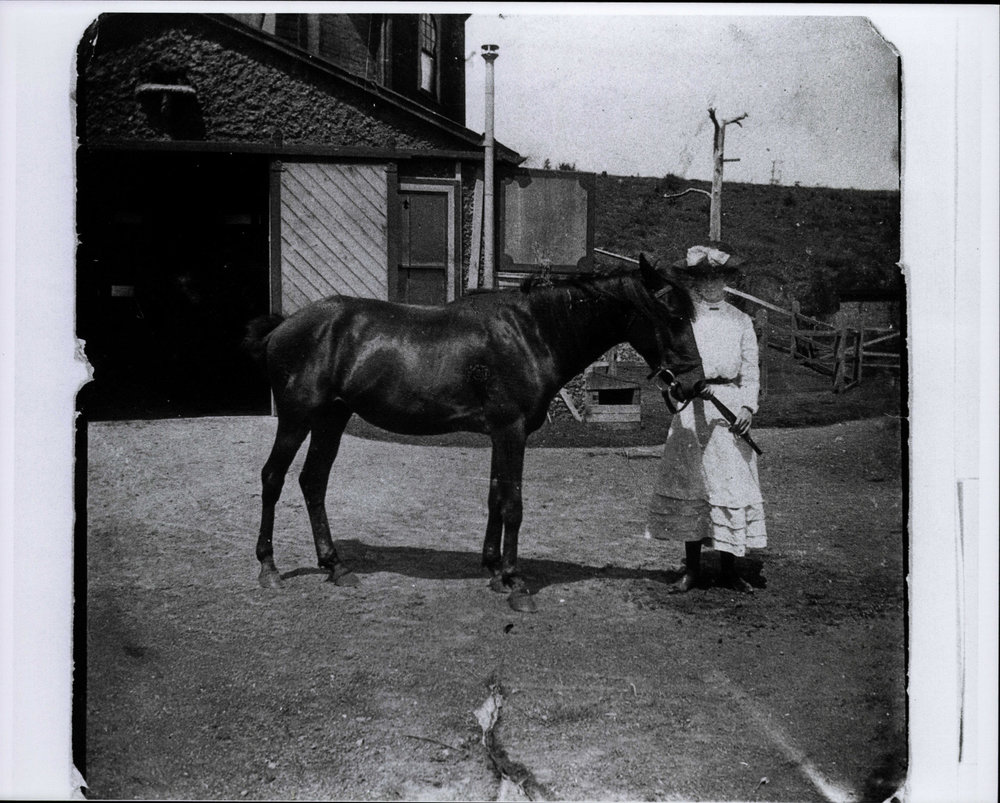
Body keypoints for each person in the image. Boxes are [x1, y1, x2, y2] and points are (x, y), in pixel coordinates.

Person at [645, 243, 767, 593]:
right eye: (703, 277)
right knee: (693, 485)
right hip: (692, 408)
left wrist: (747, 408)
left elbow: (750, 371)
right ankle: (693, 570)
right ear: (693, 281)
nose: (711, 283)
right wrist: (676, 389)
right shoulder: (684, 320)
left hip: (728, 407)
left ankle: (729, 569)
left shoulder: (741, 321)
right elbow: (669, 365)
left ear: (727, 279)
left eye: (717, 276)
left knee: (727, 485)